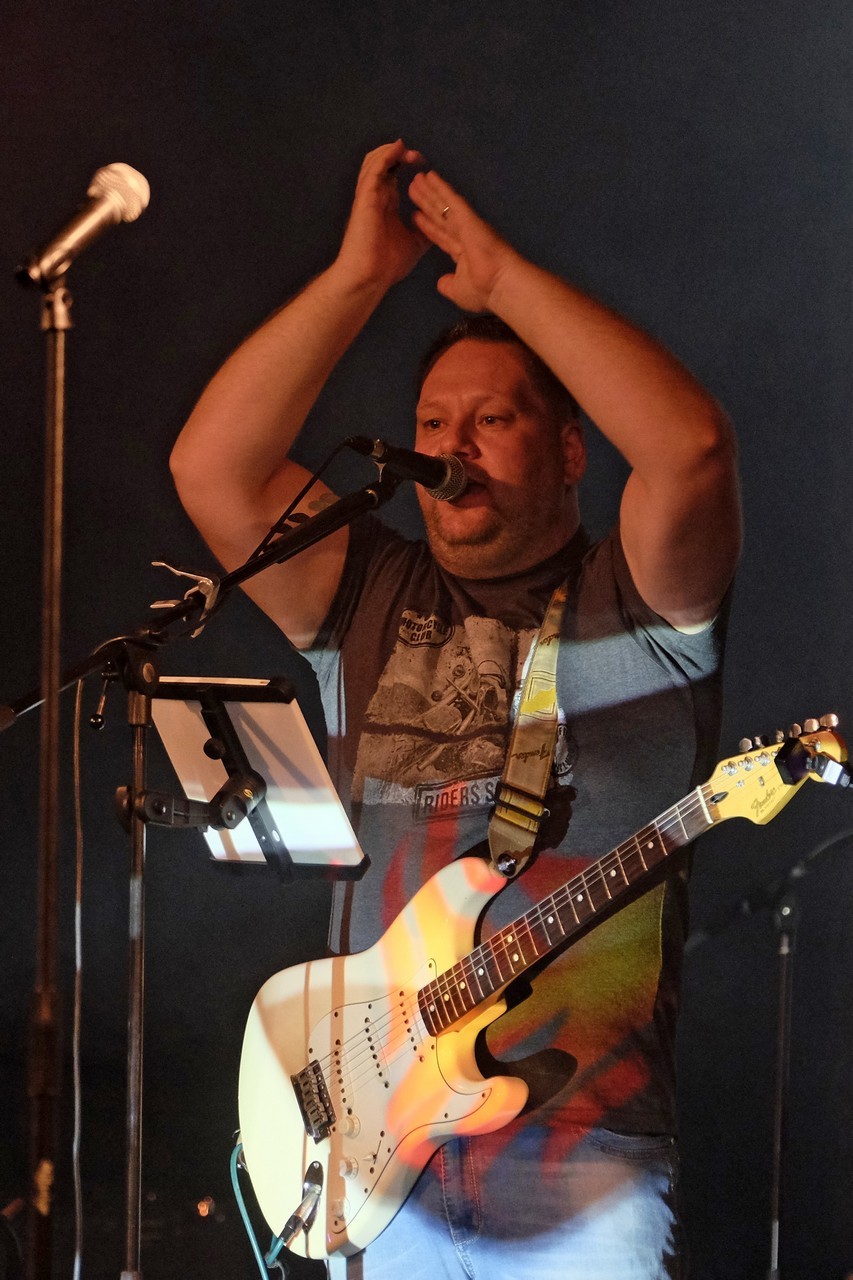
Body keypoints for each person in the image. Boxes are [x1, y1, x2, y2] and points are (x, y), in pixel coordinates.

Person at [170, 140, 741, 1280]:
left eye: (492, 420)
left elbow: (689, 449)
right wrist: (359, 277)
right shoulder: (371, 588)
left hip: (579, 1163)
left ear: (570, 450)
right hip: (377, 1155)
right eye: (433, 423)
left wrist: (501, 280)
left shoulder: (636, 600)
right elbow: (213, 470)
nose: (450, 447)